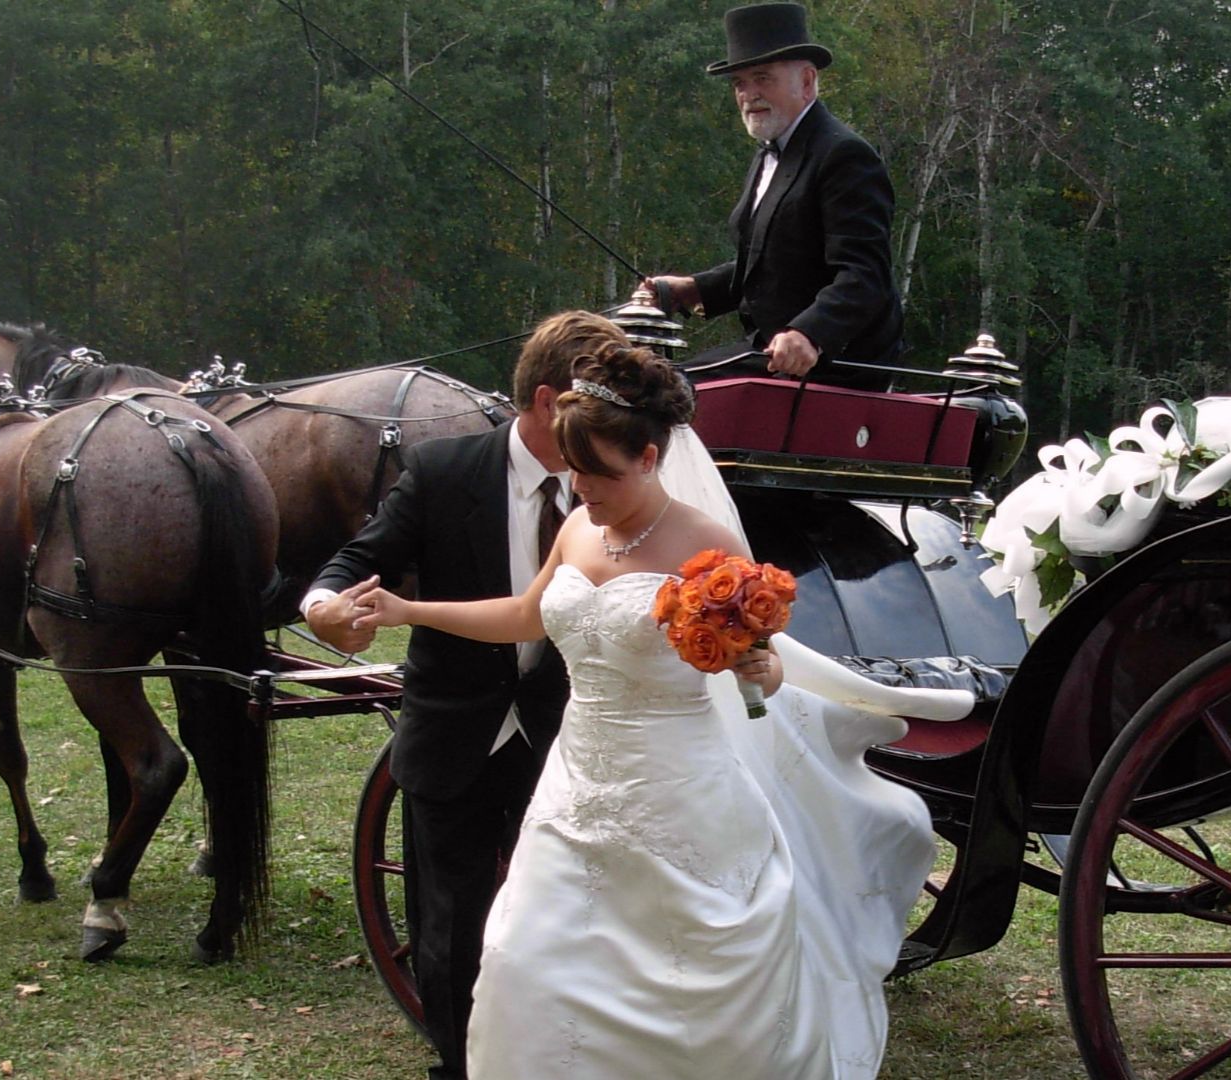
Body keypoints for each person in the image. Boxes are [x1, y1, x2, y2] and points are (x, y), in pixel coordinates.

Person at [347, 342, 970, 1078]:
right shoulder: (578, 529)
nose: (581, 488)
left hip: (678, 788)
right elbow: (524, 615)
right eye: (573, 469)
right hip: (575, 788)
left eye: (599, 472)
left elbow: (762, 667)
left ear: (648, 457)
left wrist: (760, 668)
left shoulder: (707, 544)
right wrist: (408, 610)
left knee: (686, 973)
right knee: (522, 953)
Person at [300, 311, 627, 1080]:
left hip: (570, 741)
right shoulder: (444, 472)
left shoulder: (613, 489)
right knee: (449, 927)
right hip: (454, 739)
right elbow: (358, 559)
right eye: (593, 409)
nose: (607, 431)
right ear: (547, 402)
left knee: (570, 920)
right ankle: (457, 1064)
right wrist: (323, 608)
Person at [645, 2, 902, 392]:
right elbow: (773, 263)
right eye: (739, 83)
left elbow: (865, 276)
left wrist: (809, 333)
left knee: (662, 393)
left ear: (807, 81)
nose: (749, 95)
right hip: (767, 352)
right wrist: (694, 288)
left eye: (762, 78)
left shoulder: (844, 155)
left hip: (834, 365)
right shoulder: (772, 150)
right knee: (644, 380)